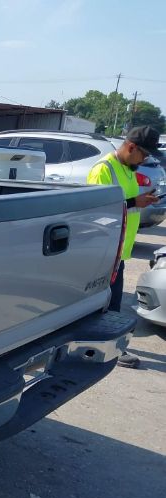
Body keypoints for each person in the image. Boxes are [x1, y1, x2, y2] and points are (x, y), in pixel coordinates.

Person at [87, 125, 162, 368]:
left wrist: (140, 202)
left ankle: (106, 347)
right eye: (144, 154)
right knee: (107, 305)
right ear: (131, 147)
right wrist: (134, 202)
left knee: (112, 305)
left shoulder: (128, 169)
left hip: (119, 252)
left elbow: (124, 204)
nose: (146, 160)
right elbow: (99, 210)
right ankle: (107, 350)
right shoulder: (103, 169)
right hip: (106, 252)